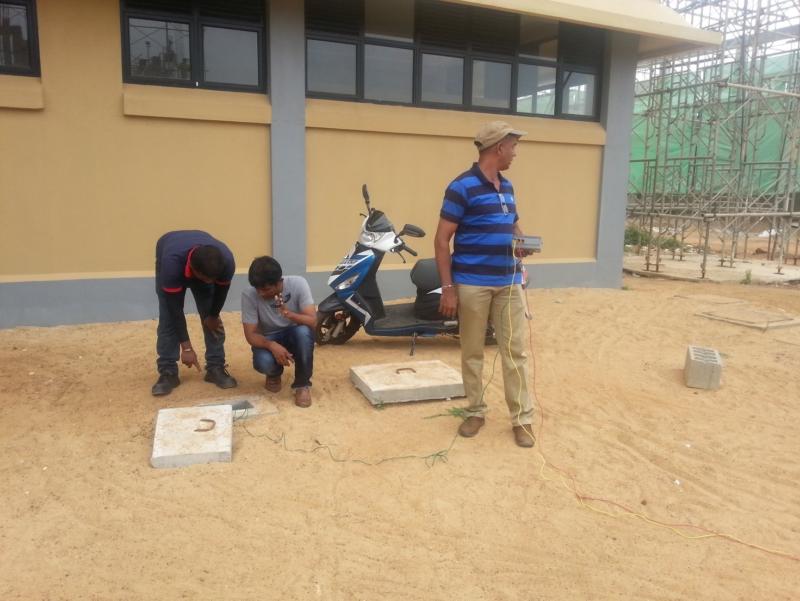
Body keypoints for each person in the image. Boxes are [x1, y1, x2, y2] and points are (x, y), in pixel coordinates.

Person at [434, 121, 536, 448]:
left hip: (508, 281)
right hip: (472, 284)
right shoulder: (461, 187)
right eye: (513, 146)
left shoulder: (507, 186)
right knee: (472, 351)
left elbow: (513, 225)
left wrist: (521, 245)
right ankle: (476, 411)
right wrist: (448, 288)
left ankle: (522, 419)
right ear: (499, 147)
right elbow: (441, 240)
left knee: (515, 351)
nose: (515, 153)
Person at [151, 230, 238, 396]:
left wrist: (213, 315)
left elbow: (222, 290)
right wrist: (187, 348)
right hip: (170, 255)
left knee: (213, 320)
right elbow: (175, 310)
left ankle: (215, 367)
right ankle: (168, 372)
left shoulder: (226, 261)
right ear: (193, 269)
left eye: (213, 279)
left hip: (198, 266)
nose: (209, 282)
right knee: (168, 319)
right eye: (206, 278)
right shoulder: (171, 266)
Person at [241, 256, 317, 408]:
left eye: (266, 289)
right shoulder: (249, 295)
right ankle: (274, 374)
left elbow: (312, 321)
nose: (260, 293)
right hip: (268, 337)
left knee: (304, 333)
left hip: (294, 333)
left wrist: (289, 314)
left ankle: (302, 385)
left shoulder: (298, 284)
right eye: (257, 289)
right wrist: (271, 345)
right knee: (263, 362)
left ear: (279, 282)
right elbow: (250, 335)